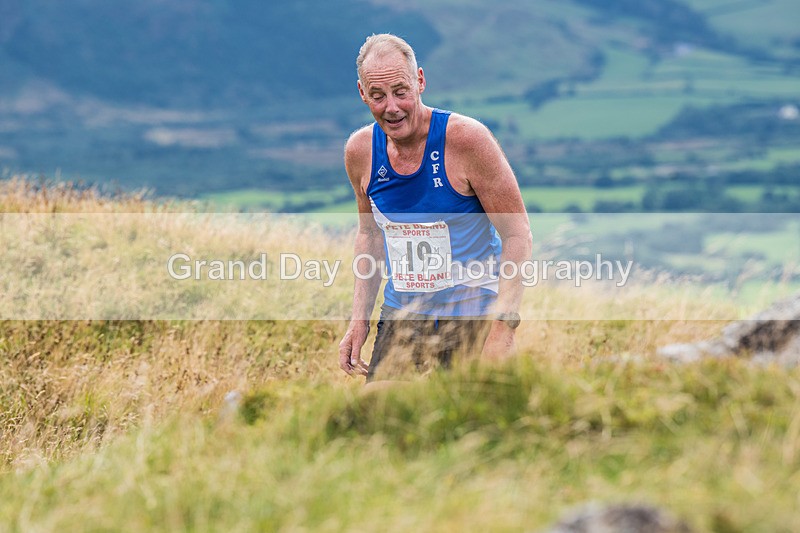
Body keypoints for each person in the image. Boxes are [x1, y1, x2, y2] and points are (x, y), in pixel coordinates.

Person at [338, 33, 532, 382]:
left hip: (473, 314)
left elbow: (517, 234)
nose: (391, 107)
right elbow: (370, 235)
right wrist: (359, 320)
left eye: (401, 91)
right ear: (362, 93)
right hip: (404, 314)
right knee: (382, 423)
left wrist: (503, 328)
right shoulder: (360, 151)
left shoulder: (468, 140)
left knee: (475, 426)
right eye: (378, 96)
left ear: (420, 81)